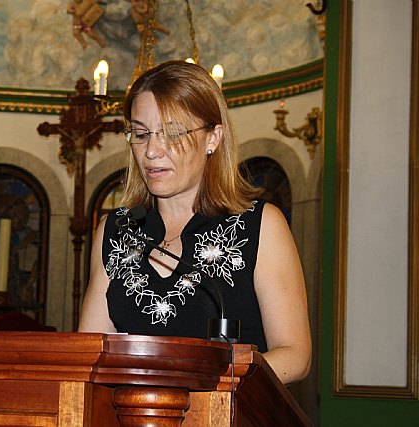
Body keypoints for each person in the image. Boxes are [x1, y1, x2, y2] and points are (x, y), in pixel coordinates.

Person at [78, 60, 311, 385]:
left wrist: (209, 387)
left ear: (213, 137)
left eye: (173, 133)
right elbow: (90, 354)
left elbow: (295, 356)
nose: (152, 151)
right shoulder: (115, 231)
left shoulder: (260, 225)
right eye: (141, 134)